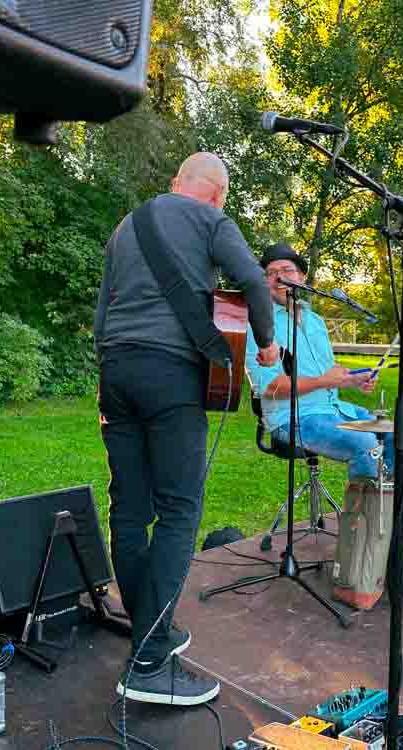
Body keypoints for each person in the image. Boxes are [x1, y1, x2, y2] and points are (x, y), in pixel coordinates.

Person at [95, 152, 279, 706]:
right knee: (179, 508)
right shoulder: (211, 220)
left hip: (116, 370)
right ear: (218, 193)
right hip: (170, 373)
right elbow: (252, 281)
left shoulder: (128, 225)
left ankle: (150, 627)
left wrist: (109, 378)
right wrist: (266, 343)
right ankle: (148, 663)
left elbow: (103, 312)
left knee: (129, 508)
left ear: (177, 183)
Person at [245, 242, 394, 610]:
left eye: (288, 270)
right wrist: (330, 381)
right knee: (366, 448)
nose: (280, 277)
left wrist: (354, 380)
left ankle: (393, 542)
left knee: (397, 434)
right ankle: (359, 559)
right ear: (264, 283)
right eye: (271, 272)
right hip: (292, 418)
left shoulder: (313, 320)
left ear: (303, 278)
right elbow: (273, 387)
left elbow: (327, 375)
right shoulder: (258, 322)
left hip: (333, 408)